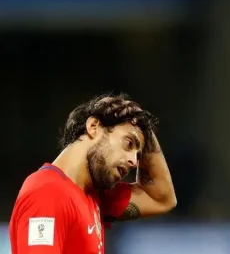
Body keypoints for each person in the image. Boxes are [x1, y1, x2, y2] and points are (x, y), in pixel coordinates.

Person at [9, 94, 177, 254]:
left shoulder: (94, 197)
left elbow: (161, 199)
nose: (134, 161)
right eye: (128, 143)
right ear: (94, 126)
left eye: (138, 155)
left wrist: (144, 127)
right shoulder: (47, 193)